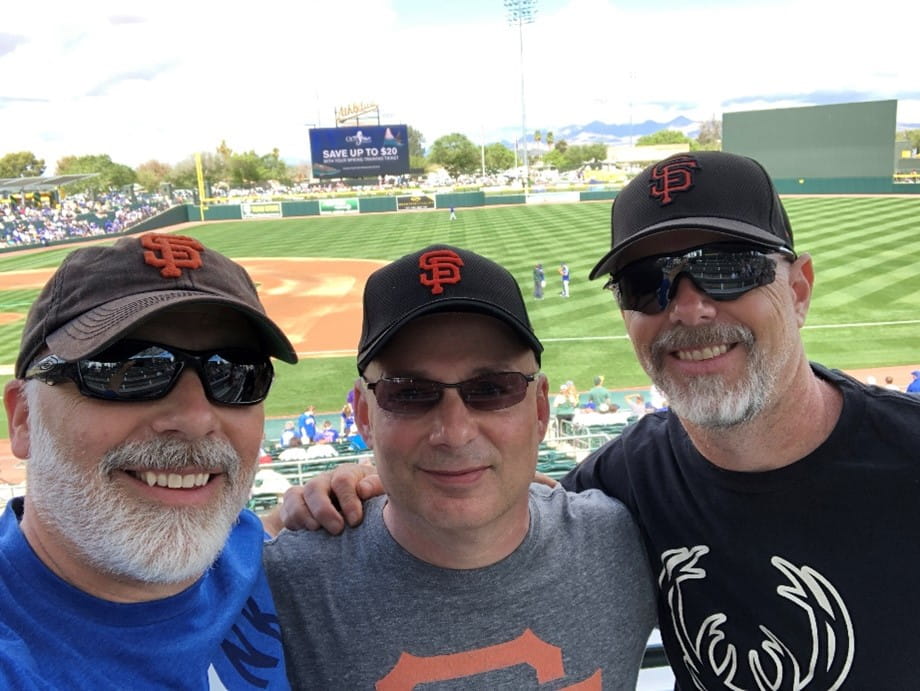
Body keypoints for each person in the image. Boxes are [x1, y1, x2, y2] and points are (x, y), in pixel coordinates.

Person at [283, 152, 920, 688]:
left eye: (729, 268)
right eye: (649, 283)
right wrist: (352, 485)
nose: (691, 309)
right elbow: (487, 498)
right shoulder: (625, 481)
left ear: (801, 288)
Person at [263, 244, 656, 688]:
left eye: (492, 388)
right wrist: (273, 520)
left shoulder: (627, 540)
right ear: (365, 416)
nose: (454, 432)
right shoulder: (281, 584)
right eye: (408, 392)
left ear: (541, 410)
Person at [0, 232, 294, 688]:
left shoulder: (270, 558)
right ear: (23, 420)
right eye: (130, 370)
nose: (196, 419)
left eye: (236, 373)